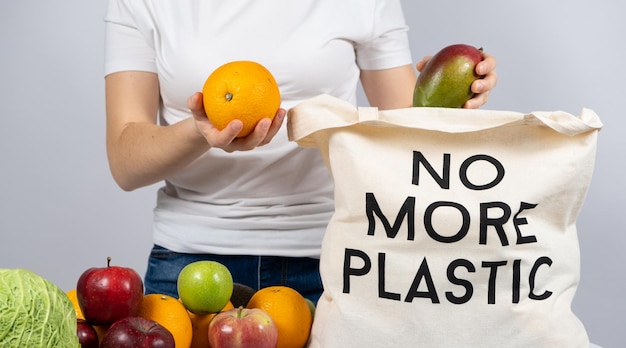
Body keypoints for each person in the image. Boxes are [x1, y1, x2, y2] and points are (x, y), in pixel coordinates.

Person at [104, 0, 497, 304]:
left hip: (330, 267)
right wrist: (199, 131)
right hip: (188, 271)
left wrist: (449, 94)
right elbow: (125, 162)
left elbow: (404, 132)